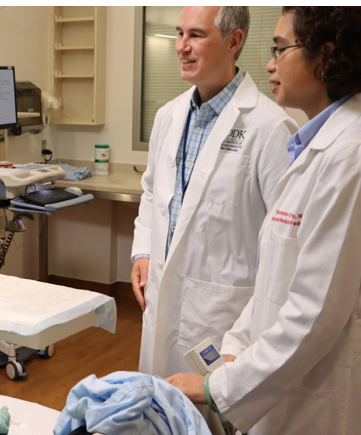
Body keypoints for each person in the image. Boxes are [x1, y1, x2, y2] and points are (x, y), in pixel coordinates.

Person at [164, 6, 361, 434]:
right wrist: (235, 347)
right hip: (290, 379)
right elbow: (276, 276)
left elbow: (316, 311)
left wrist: (219, 387)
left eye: (280, 49)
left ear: (324, 57)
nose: (270, 64)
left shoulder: (354, 154)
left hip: (328, 395)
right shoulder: (315, 146)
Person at [131, 5, 295, 381]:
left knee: (211, 418)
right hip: (162, 300)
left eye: (196, 35)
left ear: (233, 41)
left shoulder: (270, 128)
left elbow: (286, 244)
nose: (181, 46)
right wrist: (143, 250)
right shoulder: (168, 117)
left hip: (224, 315)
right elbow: (153, 190)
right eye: (179, 33)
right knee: (161, 411)